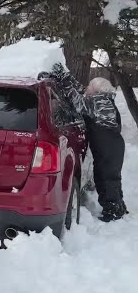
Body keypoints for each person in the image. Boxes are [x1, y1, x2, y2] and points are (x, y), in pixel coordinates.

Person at [40, 64, 128, 222]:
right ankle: (119, 206)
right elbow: (80, 90)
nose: (86, 89)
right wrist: (64, 76)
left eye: (89, 87)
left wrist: (65, 80)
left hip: (110, 147)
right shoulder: (99, 99)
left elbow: (78, 102)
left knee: (107, 178)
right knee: (107, 176)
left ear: (96, 90)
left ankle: (113, 211)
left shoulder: (102, 103)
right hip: (108, 146)